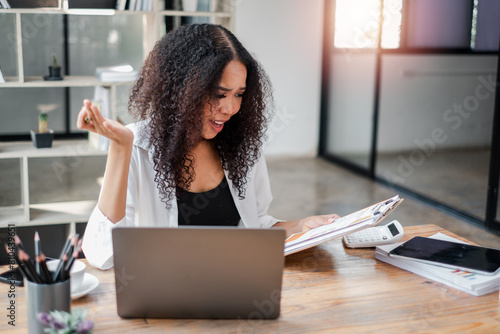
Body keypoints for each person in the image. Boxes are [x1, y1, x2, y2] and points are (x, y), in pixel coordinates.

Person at [78, 23, 340, 270]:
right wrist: (120, 147)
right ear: (181, 90)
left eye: (239, 94)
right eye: (219, 94)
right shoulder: (137, 146)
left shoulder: (242, 145)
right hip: (167, 295)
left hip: (235, 286)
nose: (231, 109)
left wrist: (302, 225)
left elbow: (256, 225)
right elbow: (102, 252)